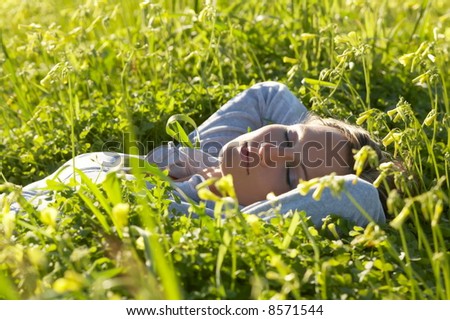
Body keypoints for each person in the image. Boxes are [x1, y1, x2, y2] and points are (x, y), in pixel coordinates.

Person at [3, 82, 390, 227]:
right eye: (287, 139)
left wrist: (384, 176)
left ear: (292, 202)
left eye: (291, 176)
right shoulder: (209, 152)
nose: (270, 151)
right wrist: (322, 132)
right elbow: (268, 95)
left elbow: (361, 196)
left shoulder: (215, 220)